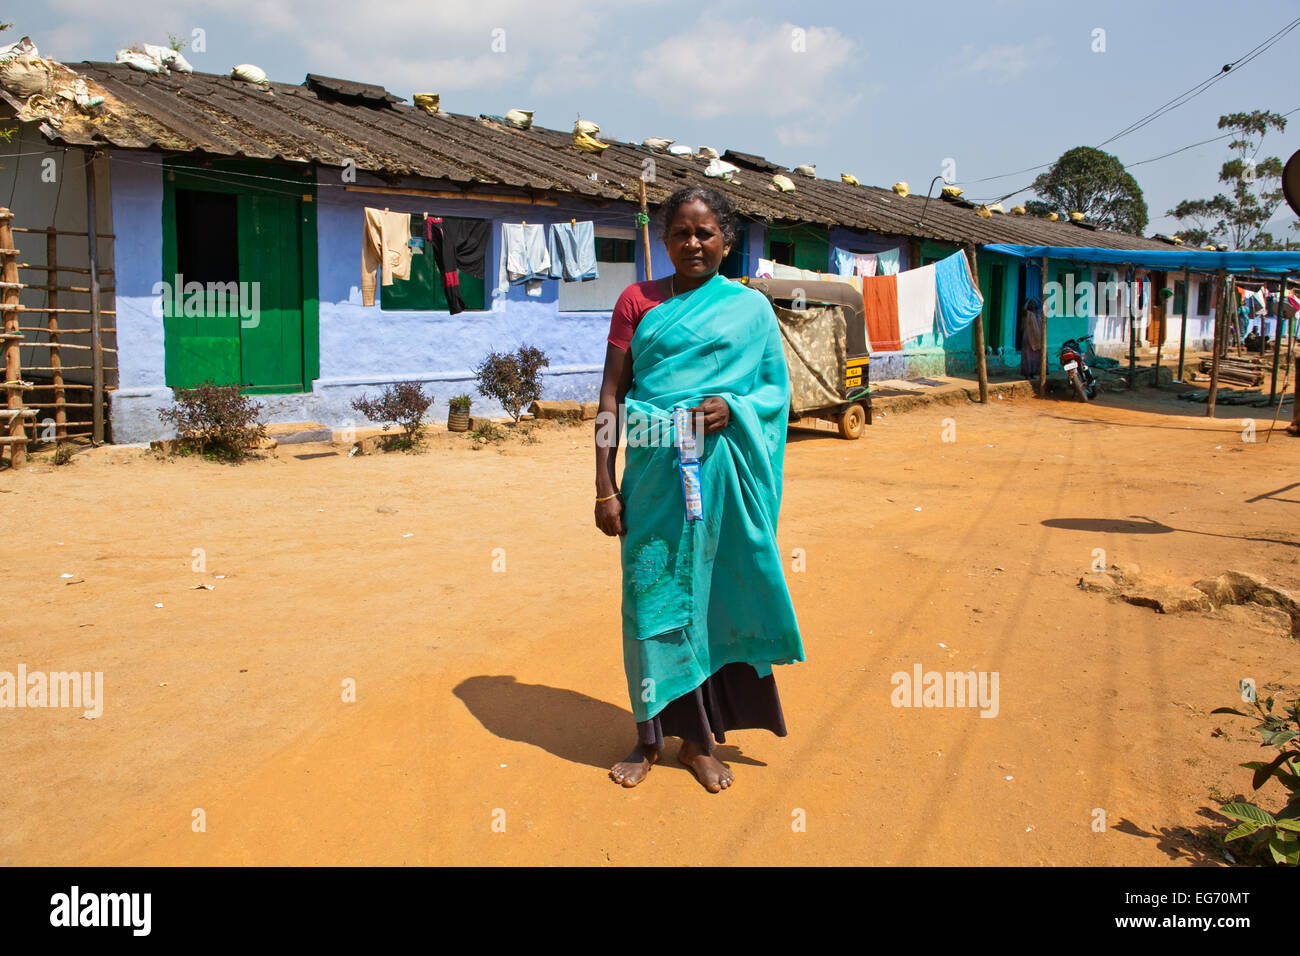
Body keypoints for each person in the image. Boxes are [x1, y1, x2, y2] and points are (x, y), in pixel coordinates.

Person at [594, 185, 804, 793]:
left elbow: (774, 393)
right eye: (681, 233)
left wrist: (732, 408)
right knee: (649, 600)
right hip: (655, 481)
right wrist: (603, 485)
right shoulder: (636, 302)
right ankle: (647, 736)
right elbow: (612, 396)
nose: (693, 243)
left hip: (719, 483)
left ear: (727, 242)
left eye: (705, 232)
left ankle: (699, 742)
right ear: (664, 240)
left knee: (709, 600)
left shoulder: (750, 310)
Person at [1019, 298, 1043, 380]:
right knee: (1027, 356)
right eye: (1030, 304)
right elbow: (1024, 309)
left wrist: (1040, 301)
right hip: (1028, 338)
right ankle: (1027, 374)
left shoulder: (1038, 314)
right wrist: (1027, 301)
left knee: (1035, 357)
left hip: (1037, 338)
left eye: (1033, 304)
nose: (1032, 305)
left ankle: (1033, 373)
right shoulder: (1027, 313)